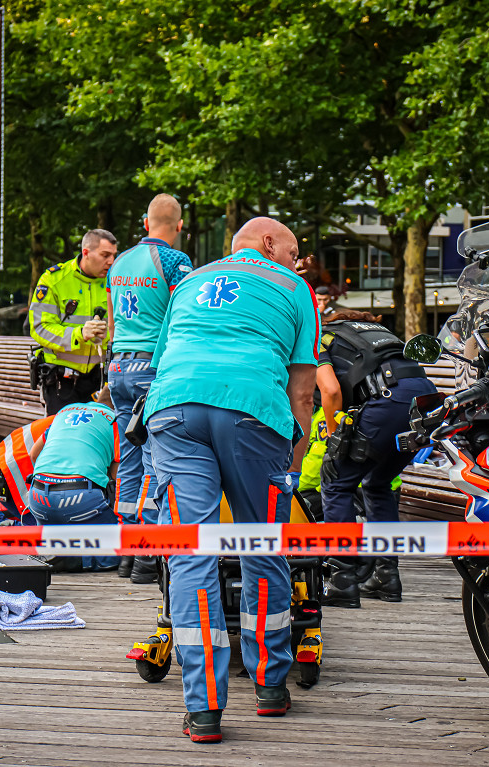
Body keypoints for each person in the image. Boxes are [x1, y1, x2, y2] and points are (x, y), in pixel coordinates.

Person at [144, 216, 318, 743]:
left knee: (190, 557)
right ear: (268, 243)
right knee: (262, 548)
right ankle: (268, 688)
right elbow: (303, 390)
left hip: (174, 413)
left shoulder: (188, 283)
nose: (294, 260)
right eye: (291, 250)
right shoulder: (294, 287)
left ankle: (204, 710)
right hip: (252, 414)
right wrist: (294, 458)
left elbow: (162, 364)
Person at [318, 309, 438, 607]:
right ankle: (386, 576)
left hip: (387, 400)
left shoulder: (320, 336)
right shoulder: (373, 334)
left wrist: (335, 438)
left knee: (335, 482)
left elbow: (331, 391)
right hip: (426, 406)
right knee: (378, 483)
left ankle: (342, 581)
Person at [106, 193, 194, 583]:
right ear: (178, 226)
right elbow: (185, 315)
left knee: (126, 456)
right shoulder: (176, 262)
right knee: (155, 458)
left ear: (145, 222)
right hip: (152, 367)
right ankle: (147, 556)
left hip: (118, 365)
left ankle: (126, 552)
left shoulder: (119, 261)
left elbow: (111, 322)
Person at [25, 391, 120, 572]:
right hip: (81, 497)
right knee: (117, 548)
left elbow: (33, 453)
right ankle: (81, 560)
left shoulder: (64, 412)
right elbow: (117, 477)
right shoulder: (115, 420)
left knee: (55, 530)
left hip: (38, 496)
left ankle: (54, 552)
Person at [29, 229, 116, 414]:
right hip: (62, 382)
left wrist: (106, 334)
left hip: (99, 381)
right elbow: (39, 327)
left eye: (113, 255)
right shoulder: (54, 280)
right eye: (105, 255)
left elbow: (123, 326)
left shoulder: (115, 281)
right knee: (60, 438)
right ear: (86, 252)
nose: (111, 261)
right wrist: (79, 334)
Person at [0, 413, 56, 523]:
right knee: (39, 532)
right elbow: (34, 455)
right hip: (13, 475)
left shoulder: (70, 413)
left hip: (7, 467)